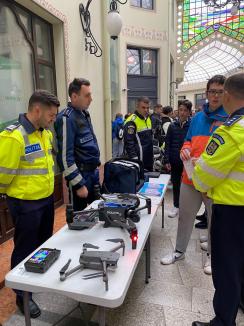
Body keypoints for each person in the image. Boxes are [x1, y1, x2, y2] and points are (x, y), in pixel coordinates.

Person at [0, 90, 60, 318]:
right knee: (24, 249)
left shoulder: (44, 133)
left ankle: (35, 282)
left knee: (42, 245)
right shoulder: (13, 137)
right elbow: (2, 176)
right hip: (25, 204)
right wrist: (13, 199)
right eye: (52, 115)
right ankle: (22, 296)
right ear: (37, 110)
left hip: (45, 201)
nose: (53, 119)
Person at [160, 75, 228, 275]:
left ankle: (211, 258)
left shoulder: (229, 119)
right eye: (212, 91)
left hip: (214, 182)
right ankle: (179, 251)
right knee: (185, 217)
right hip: (190, 178)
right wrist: (185, 149)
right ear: (206, 94)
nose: (215, 96)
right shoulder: (197, 118)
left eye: (219, 91)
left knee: (214, 222)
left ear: (226, 94)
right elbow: (188, 140)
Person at [192, 73, 244, 326]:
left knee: (227, 270)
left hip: (233, 212)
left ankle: (223, 322)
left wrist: (202, 182)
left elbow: (203, 175)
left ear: (227, 95)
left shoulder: (232, 131)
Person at [55, 78, 101, 211]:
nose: (91, 99)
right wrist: (79, 184)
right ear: (74, 96)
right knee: (79, 221)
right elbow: (64, 157)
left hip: (93, 173)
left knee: (98, 214)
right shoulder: (66, 118)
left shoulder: (84, 113)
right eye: (87, 95)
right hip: (80, 175)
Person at [164, 99, 192, 218]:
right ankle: (176, 206)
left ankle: (186, 208)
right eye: (180, 110)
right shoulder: (172, 126)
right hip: (174, 160)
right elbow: (168, 144)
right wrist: (166, 160)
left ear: (189, 112)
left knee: (188, 187)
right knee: (176, 184)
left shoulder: (192, 126)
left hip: (188, 162)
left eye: (185, 110)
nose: (182, 113)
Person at [123, 96, 153, 171]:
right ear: (137, 107)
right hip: (139, 160)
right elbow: (129, 142)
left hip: (149, 159)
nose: (146, 110)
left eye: (147, 108)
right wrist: (134, 159)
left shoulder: (148, 119)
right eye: (143, 107)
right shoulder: (131, 121)